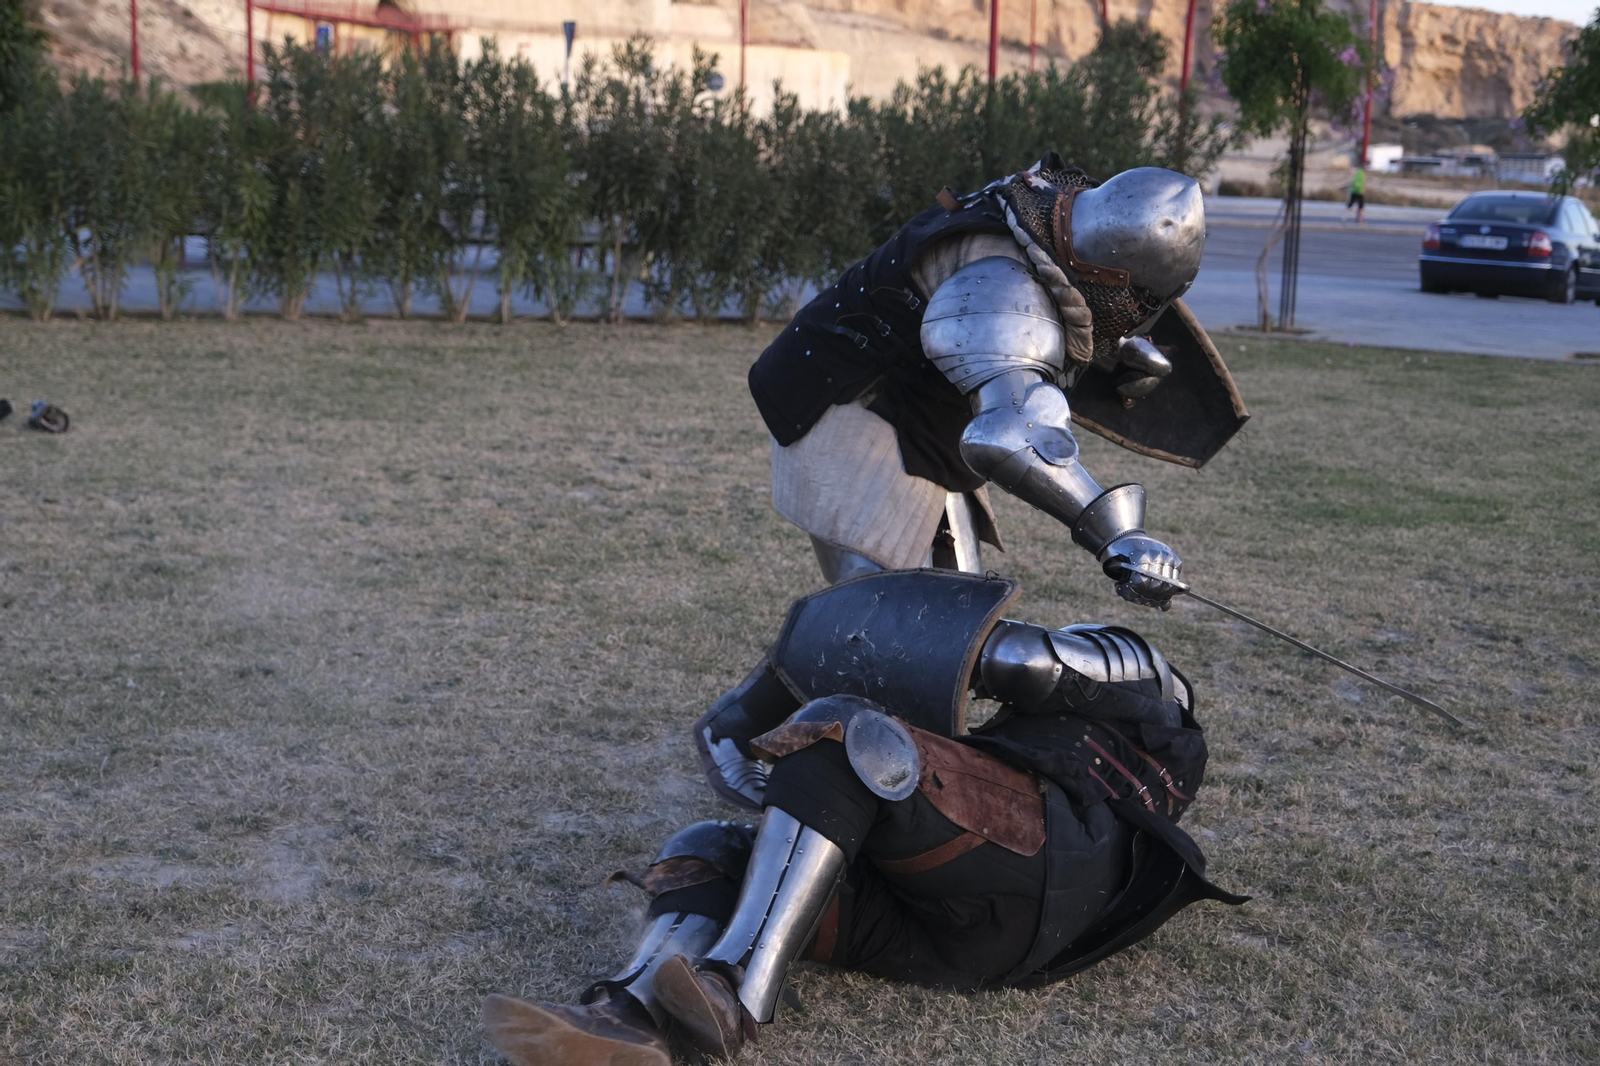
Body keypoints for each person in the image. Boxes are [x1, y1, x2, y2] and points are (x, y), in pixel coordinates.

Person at [483, 569, 1246, 1065]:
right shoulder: (1013, 752)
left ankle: (736, 988)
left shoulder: (1142, 674)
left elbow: (1018, 660)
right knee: (712, 847)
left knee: (845, 731)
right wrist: (802, 806)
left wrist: (826, 656)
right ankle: (628, 1016)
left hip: (1044, 866)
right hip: (956, 940)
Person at [747, 153, 1234, 598]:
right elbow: (1008, 435)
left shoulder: (1046, 207)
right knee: (882, 625)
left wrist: (1112, 348)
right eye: (1140, 302)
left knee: (954, 611)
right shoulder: (999, 285)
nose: (1138, 313)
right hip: (844, 410)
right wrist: (1120, 535)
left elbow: (1061, 294)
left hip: (914, 414)